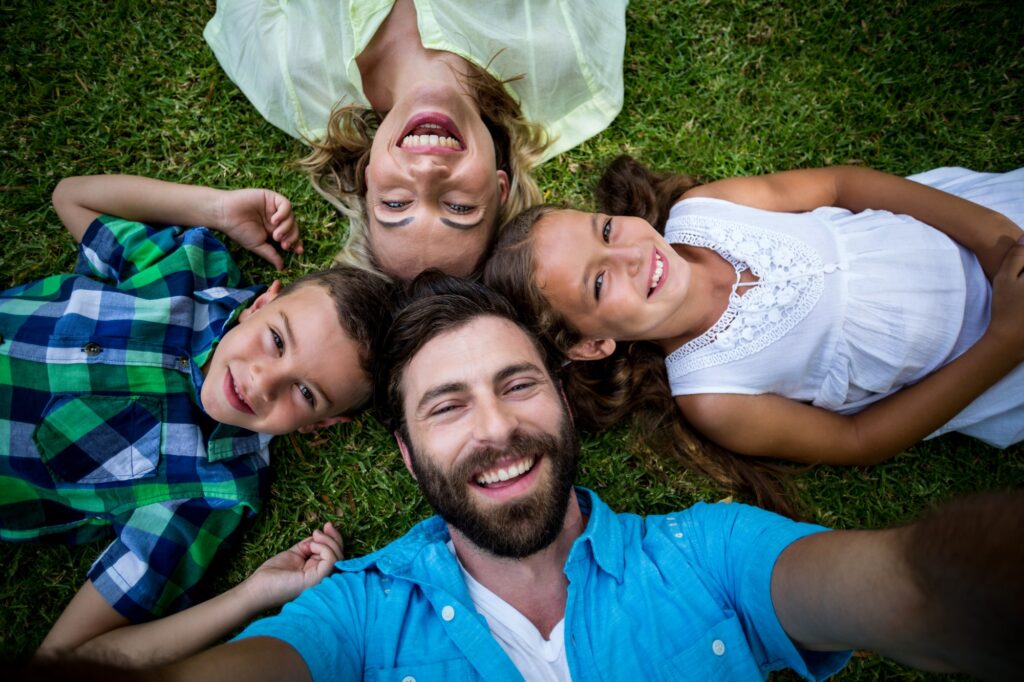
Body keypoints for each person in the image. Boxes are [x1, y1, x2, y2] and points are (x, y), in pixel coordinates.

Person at [33, 276, 1023, 680]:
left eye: (517, 385)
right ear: (409, 456)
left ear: (562, 401)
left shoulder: (712, 551)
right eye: (447, 404)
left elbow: (911, 586)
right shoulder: (359, 616)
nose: (499, 426)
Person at [0, 174, 394, 659]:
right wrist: (217, 208)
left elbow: (66, 656)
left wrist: (251, 595)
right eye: (276, 339)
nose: (262, 381)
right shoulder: (187, 270)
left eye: (305, 392)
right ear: (261, 304)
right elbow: (70, 196)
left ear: (319, 424)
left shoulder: (213, 490)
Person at [482, 156, 1024, 497]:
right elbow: (860, 439)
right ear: (592, 344)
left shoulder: (705, 210)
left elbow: (841, 184)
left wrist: (994, 237)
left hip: (978, 225)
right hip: (992, 356)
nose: (627, 255)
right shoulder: (714, 396)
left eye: (604, 230)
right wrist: (1005, 340)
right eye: (598, 284)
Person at [204, 0, 628, 279]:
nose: (427, 171)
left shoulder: (294, 82)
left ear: (368, 179)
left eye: (395, 203)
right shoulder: (566, 67)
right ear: (499, 188)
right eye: (459, 207)